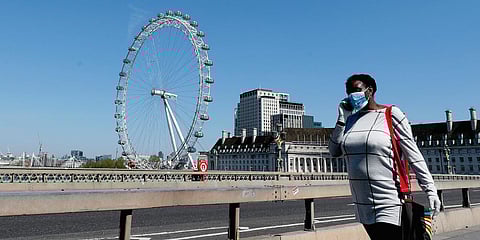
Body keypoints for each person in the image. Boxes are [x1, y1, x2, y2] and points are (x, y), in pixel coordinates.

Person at [328, 74, 441, 240]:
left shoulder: (391, 114)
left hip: (388, 199)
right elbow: (334, 151)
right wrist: (341, 120)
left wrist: (430, 189)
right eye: (349, 92)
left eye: (357, 90)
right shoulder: (350, 120)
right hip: (362, 202)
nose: (352, 95)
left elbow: (413, 154)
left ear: (370, 90)